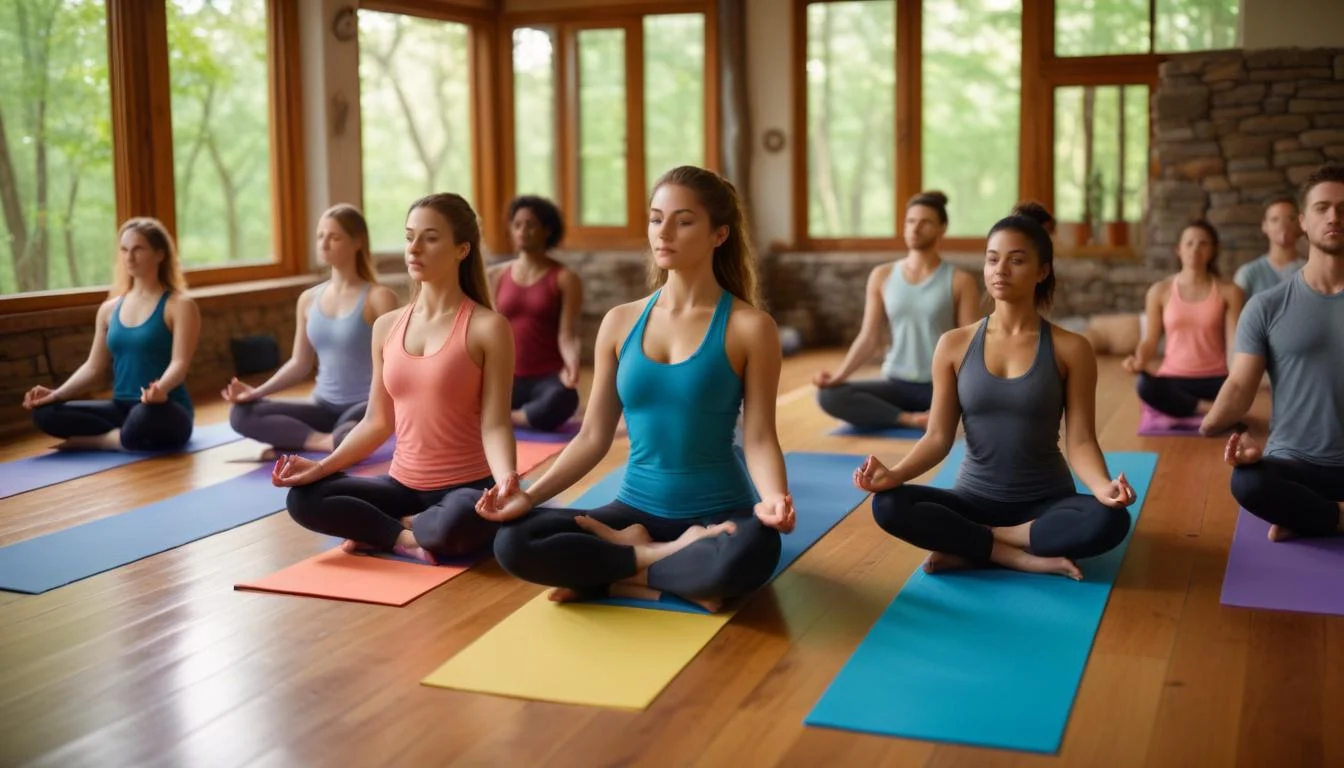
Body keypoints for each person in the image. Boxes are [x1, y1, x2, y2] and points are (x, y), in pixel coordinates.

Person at [478, 166, 795, 612]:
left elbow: (760, 436)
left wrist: (773, 499)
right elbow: (592, 437)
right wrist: (529, 496)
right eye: (655, 218)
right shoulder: (620, 322)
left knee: (750, 555)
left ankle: (613, 576)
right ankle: (658, 560)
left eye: (683, 221)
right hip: (634, 511)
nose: (663, 232)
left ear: (719, 234)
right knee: (514, 541)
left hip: (718, 513)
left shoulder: (750, 327)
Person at [853, 206, 1135, 580]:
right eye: (992, 259)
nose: (1000, 270)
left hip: (1045, 504)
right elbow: (938, 437)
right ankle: (1015, 556)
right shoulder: (953, 345)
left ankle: (980, 545)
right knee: (888, 505)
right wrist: (895, 474)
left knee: (1109, 520)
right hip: (971, 501)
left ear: (1042, 270)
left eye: (1016, 260)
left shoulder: (1072, 349)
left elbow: (1081, 440)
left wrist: (1104, 488)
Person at [273, 194, 519, 563]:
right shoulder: (387, 326)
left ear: (461, 249)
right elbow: (377, 421)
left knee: (464, 519)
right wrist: (322, 468)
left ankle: (381, 529)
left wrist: (505, 483)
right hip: (400, 485)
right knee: (304, 498)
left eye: (430, 238)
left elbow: (496, 424)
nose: (414, 248)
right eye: (409, 237)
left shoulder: (488, 327)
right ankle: (405, 536)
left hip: (465, 489)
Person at [1202, 164, 1344, 541]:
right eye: (1322, 207)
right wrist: (1213, 425)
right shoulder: (1266, 305)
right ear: (1303, 221)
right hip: (1295, 463)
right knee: (1248, 483)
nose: (1334, 217)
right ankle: (1330, 516)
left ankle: (1313, 517)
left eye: (1343, 208)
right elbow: (1240, 385)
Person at [223, 204, 399, 459]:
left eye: (334, 237)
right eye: (320, 236)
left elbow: (396, 364)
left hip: (365, 407)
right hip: (322, 407)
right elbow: (300, 363)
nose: (324, 244)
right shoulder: (307, 300)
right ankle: (326, 442)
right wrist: (256, 392)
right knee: (242, 413)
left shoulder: (379, 298)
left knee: (352, 427)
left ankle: (300, 441)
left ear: (357, 242)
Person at [23, 218, 200, 452]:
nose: (129, 257)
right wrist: (56, 395)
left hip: (164, 408)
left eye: (138, 249)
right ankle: (123, 436)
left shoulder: (179, 305)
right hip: (121, 409)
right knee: (44, 413)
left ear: (159, 254)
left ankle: (103, 441)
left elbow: (180, 363)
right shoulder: (109, 309)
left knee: (143, 415)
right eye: (125, 249)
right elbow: (93, 367)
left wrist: (161, 389)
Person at [814, 191, 981, 431]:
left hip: (940, 385)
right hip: (895, 382)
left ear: (942, 229)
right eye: (910, 221)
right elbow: (869, 337)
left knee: (979, 403)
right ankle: (910, 419)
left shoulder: (960, 281)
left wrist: (962, 391)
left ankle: (928, 414)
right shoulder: (882, 276)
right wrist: (838, 377)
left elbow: (970, 346)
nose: (915, 228)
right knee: (828, 396)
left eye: (925, 222)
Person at [1122, 221, 1244, 418]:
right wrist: (1139, 361)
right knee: (1145, 386)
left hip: (1215, 380)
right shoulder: (1159, 291)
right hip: (1172, 380)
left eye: (1203, 243)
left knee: (1239, 390)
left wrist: (1237, 381)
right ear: (1178, 249)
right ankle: (1206, 409)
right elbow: (1150, 341)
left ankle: (1196, 406)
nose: (1195, 249)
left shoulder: (1230, 292)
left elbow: (1235, 343)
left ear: (1214, 250)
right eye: (1189, 243)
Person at [489, 196, 582, 431]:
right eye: (517, 224)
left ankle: (504, 418)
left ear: (547, 230)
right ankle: (521, 416)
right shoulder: (495, 276)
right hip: (505, 377)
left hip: (545, 379)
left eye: (530, 224)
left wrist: (571, 365)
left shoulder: (565, 278)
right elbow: (486, 329)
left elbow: (567, 334)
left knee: (565, 398)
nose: (522, 231)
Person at [1233, 196, 1303, 299]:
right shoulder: (1248, 274)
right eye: (1275, 220)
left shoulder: (1310, 271)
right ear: (1265, 226)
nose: (1283, 225)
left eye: (1290, 219)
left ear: (1300, 224)